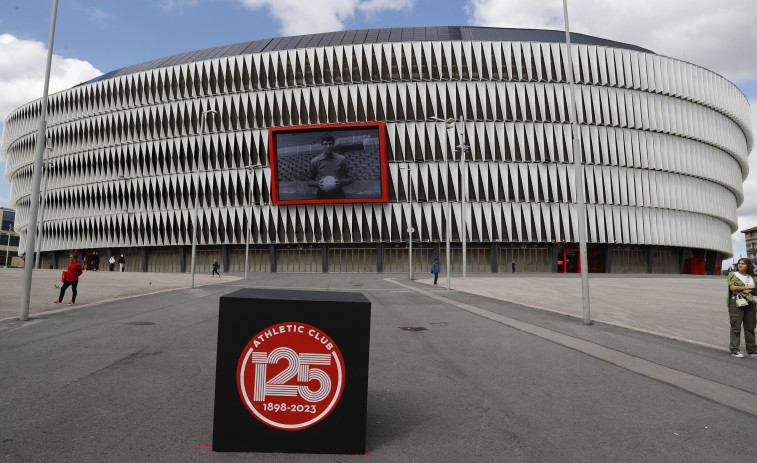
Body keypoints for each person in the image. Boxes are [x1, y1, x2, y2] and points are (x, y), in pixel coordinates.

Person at [727, 258, 757, 358]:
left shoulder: (752, 277)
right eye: (739, 263)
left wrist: (751, 291)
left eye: (743, 264)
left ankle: (752, 349)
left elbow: (755, 292)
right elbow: (733, 288)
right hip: (736, 302)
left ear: (748, 266)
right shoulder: (733, 274)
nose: (740, 265)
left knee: (750, 327)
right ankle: (734, 350)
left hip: (750, 303)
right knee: (736, 327)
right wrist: (748, 287)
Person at [307, 134, 353, 199]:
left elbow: (350, 179)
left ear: (333, 144)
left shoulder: (341, 159)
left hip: (338, 194)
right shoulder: (315, 161)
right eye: (325, 144)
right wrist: (317, 184)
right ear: (322, 145)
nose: (328, 146)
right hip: (322, 194)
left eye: (330, 144)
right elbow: (309, 181)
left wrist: (341, 183)